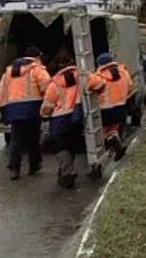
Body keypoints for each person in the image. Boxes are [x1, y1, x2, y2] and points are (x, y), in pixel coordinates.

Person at [40, 52, 105, 189]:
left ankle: (68, 173)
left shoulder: (55, 83)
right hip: (77, 117)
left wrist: (44, 114)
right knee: (72, 145)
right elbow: (100, 84)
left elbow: (46, 108)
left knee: (61, 147)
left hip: (59, 120)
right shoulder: (83, 76)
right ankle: (66, 171)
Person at [0, 46, 51, 180]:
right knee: (33, 138)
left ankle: (14, 168)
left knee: (16, 139)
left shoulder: (8, 72)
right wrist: (47, 105)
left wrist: (4, 110)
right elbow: (47, 87)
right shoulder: (37, 70)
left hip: (13, 110)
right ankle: (34, 165)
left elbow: (1, 92)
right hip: (32, 109)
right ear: (37, 57)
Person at [91, 52, 133, 161]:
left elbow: (91, 87)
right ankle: (117, 147)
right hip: (121, 106)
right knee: (113, 129)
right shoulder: (123, 72)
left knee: (104, 133)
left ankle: (115, 148)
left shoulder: (99, 76)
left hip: (105, 109)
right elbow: (129, 85)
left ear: (99, 64)